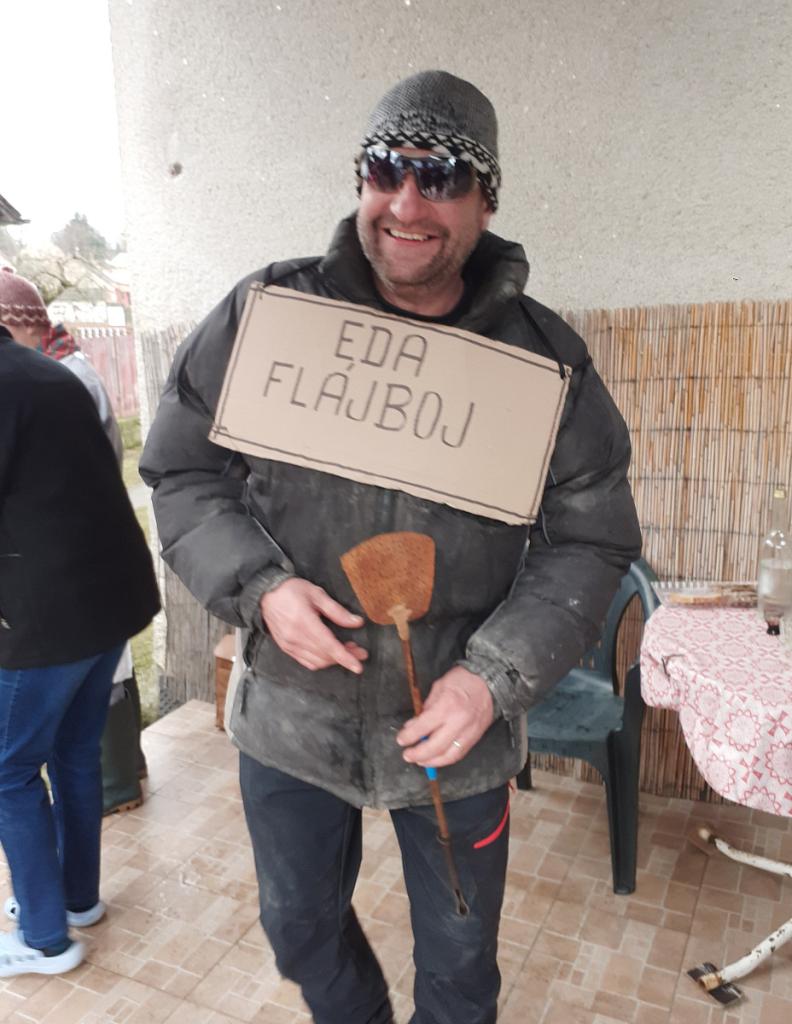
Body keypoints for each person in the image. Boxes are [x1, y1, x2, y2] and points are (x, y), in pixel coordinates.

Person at [141, 70, 642, 1024]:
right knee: (299, 930)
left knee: (460, 965)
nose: (408, 203)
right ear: (361, 181)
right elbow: (183, 473)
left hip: (456, 731)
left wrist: (494, 678)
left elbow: (589, 541)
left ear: (486, 199)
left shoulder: (544, 364)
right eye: (386, 169)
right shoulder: (269, 316)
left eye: (442, 176)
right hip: (291, 715)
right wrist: (260, 588)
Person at [0, 322, 160, 976]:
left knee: (7, 772)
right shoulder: (46, 372)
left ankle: (44, 939)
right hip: (106, 602)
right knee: (73, 751)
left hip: (45, 617)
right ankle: (76, 899)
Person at [0, 268, 147, 816]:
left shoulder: (53, 376)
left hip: (61, 595)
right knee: (77, 749)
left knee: (13, 770)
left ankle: (123, 780)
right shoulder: (60, 372)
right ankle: (121, 783)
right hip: (101, 587)